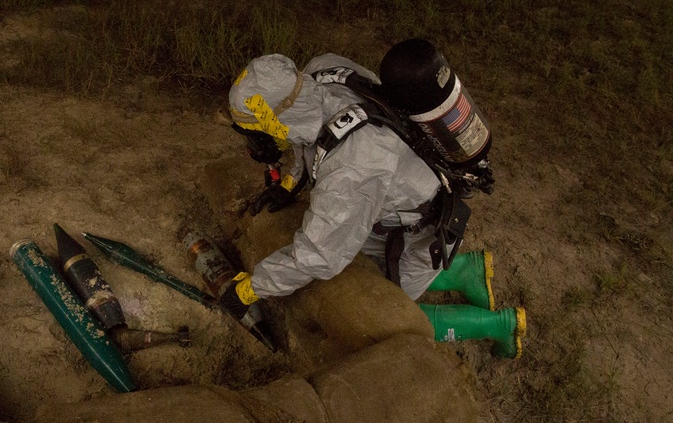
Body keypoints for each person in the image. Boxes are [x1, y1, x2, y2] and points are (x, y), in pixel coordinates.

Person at [218, 40, 526, 358]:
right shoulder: (322, 70)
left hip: (415, 231)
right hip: (401, 194)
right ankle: (466, 271)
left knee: (389, 318)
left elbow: (318, 255)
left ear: (278, 122)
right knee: (364, 253)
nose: (255, 144)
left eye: (258, 133)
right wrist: (290, 184)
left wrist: (248, 289)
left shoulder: (351, 169)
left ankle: (500, 325)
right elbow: (310, 137)